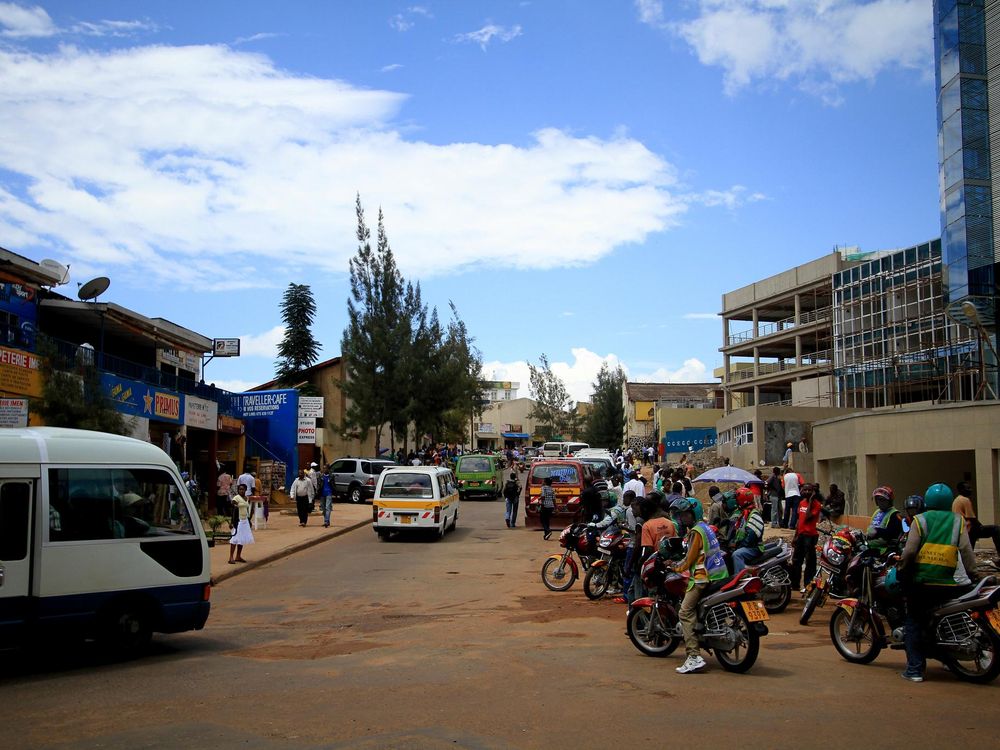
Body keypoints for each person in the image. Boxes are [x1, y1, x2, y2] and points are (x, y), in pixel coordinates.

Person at [897, 482, 978, 682]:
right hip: (948, 583)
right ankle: (946, 659)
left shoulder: (920, 520)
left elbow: (909, 551)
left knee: (913, 620)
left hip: (922, 582)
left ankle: (914, 669)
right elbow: (967, 551)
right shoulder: (958, 521)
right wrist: (974, 575)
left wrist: (901, 568)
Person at [670, 496, 728, 674]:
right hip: (719, 573)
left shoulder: (696, 531)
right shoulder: (705, 527)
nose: (681, 519)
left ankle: (694, 656)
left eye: (684, 515)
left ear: (691, 514)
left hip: (703, 577)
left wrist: (674, 566)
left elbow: (689, 560)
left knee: (685, 611)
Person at [952, 481, 1000, 556]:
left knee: (969, 551)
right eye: (967, 488)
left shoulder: (956, 500)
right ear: (961, 490)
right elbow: (972, 518)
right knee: (996, 529)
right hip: (969, 529)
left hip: (961, 529)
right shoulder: (965, 500)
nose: (970, 490)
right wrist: (981, 527)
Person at [791, 484, 823, 593]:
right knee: (796, 561)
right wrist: (795, 536)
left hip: (810, 536)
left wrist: (810, 501)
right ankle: (795, 584)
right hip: (800, 535)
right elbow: (799, 520)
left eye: (810, 490)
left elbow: (809, 516)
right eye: (805, 490)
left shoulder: (817, 504)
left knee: (810, 562)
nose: (807, 492)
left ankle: (808, 585)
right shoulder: (801, 503)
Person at [731, 487, 766, 573]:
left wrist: (739, 545)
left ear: (743, 500)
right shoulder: (744, 513)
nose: (736, 502)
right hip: (747, 546)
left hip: (754, 547)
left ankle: (740, 578)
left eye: (738, 500)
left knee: (737, 555)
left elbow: (751, 537)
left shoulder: (754, 514)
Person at [866, 485, 902, 553]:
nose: (880, 502)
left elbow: (892, 534)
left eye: (882, 500)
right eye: (878, 500)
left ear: (889, 501)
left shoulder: (894, 514)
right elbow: (871, 527)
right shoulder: (877, 512)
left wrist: (877, 531)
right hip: (870, 545)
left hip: (883, 549)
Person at [228, 484, 254, 564]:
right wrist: (232, 522)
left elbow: (247, 510)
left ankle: (238, 556)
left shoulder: (247, 498)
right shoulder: (236, 498)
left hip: (245, 520)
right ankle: (231, 557)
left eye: (243, 489)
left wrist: (249, 520)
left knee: (241, 539)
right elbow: (233, 506)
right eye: (240, 489)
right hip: (237, 521)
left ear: (246, 490)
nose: (241, 491)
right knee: (235, 539)